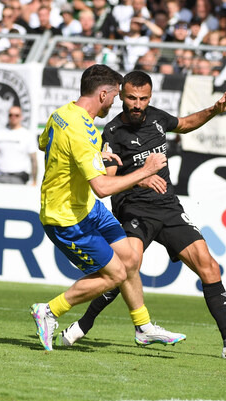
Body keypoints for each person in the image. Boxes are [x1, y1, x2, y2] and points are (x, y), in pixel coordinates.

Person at [57, 71, 226, 360]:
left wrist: (214, 109)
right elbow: (107, 178)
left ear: (150, 98)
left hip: (168, 208)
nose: (137, 104)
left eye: (143, 99)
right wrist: (141, 177)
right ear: (122, 96)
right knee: (126, 265)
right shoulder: (112, 132)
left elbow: (186, 124)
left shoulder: (157, 118)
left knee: (209, 267)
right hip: (133, 208)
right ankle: (82, 326)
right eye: (131, 98)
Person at [30, 64, 181, 351]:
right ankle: (49, 311)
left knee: (130, 259)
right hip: (65, 217)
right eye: (114, 96)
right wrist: (145, 171)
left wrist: (94, 155)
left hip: (87, 208)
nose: (115, 103)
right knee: (115, 275)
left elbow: (44, 144)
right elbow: (102, 187)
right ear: (102, 94)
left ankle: (143, 327)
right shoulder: (81, 130)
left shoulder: (62, 114)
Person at [0, 105, 38, 185]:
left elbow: (33, 160)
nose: (13, 117)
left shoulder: (27, 135)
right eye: (11, 115)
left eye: (16, 115)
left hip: (18, 178)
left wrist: (34, 181)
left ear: (21, 117)